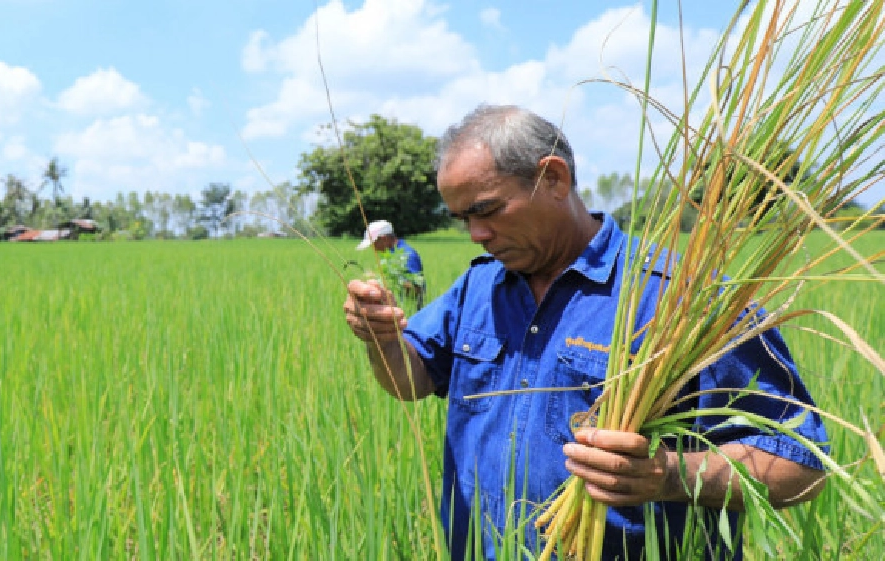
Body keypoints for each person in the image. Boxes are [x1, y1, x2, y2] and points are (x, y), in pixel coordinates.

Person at [342, 105, 827, 560]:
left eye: (487, 210)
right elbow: (412, 380)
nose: (476, 234)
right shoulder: (479, 284)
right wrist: (383, 340)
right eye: (464, 218)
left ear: (553, 178)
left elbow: (799, 468)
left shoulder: (683, 298)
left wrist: (668, 476)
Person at [357, 219, 426, 309]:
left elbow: (417, 289)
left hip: (410, 313)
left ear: (384, 239)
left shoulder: (407, 254)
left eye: (374, 244)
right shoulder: (390, 254)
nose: (373, 248)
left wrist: (382, 279)